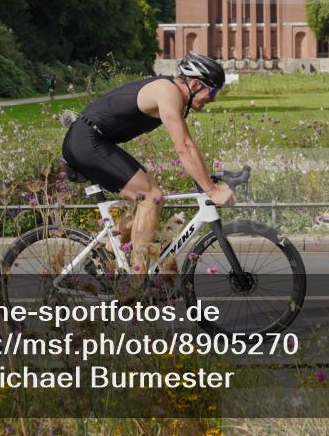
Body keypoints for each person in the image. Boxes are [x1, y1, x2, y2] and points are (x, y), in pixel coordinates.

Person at [61, 52, 235, 277]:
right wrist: (210, 189)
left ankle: (107, 253)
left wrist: (206, 180)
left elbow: (187, 146)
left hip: (95, 140)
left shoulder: (174, 96)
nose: (213, 99)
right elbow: (183, 145)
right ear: (194, 84)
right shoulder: (167, 91)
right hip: (86, 141)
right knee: (152, 197)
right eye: (212, 92)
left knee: (147, 200)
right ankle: (137, 282)